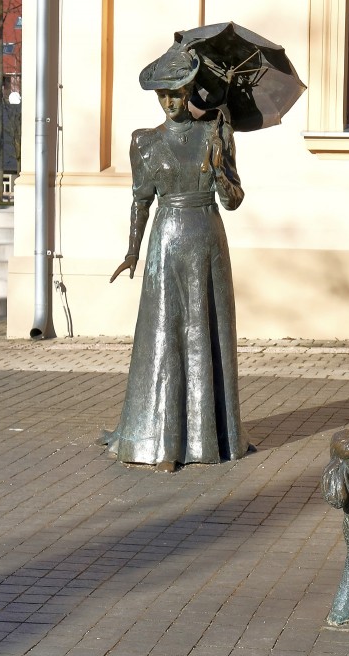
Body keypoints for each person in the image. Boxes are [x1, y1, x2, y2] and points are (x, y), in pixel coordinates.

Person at [99, 47, 252, 472]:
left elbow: (234, 200)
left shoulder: (215, 134)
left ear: (190, 91)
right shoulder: (144, 142)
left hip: (207, 239)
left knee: (209, 333)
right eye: (163, 94)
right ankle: (163, 441)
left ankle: (212, 438)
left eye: (178, 92)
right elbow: (140, 201)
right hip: (166, 243)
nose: (170, 101)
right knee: (165, 336)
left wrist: (219, 167)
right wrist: (132, 251)